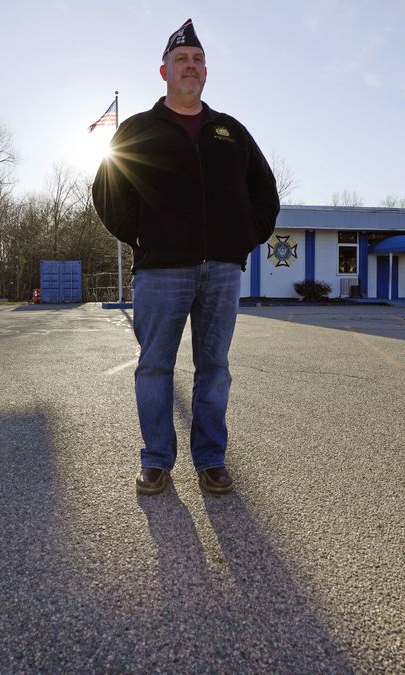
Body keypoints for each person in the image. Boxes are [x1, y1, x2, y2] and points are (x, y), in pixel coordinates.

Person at [93, 18, 280, 496]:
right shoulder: (139, 130)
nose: (190, 67)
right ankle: (156, 460)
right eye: (182, 60)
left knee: (214, 368)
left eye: (197, 60)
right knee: (154, 367)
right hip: (161, 272)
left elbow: (264, 189)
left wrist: (245, 236)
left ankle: (211, 459)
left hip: (221, 269)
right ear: (164, 72)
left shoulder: (229, 132)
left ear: (205, 72)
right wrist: (143, 237)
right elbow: (107, 190)